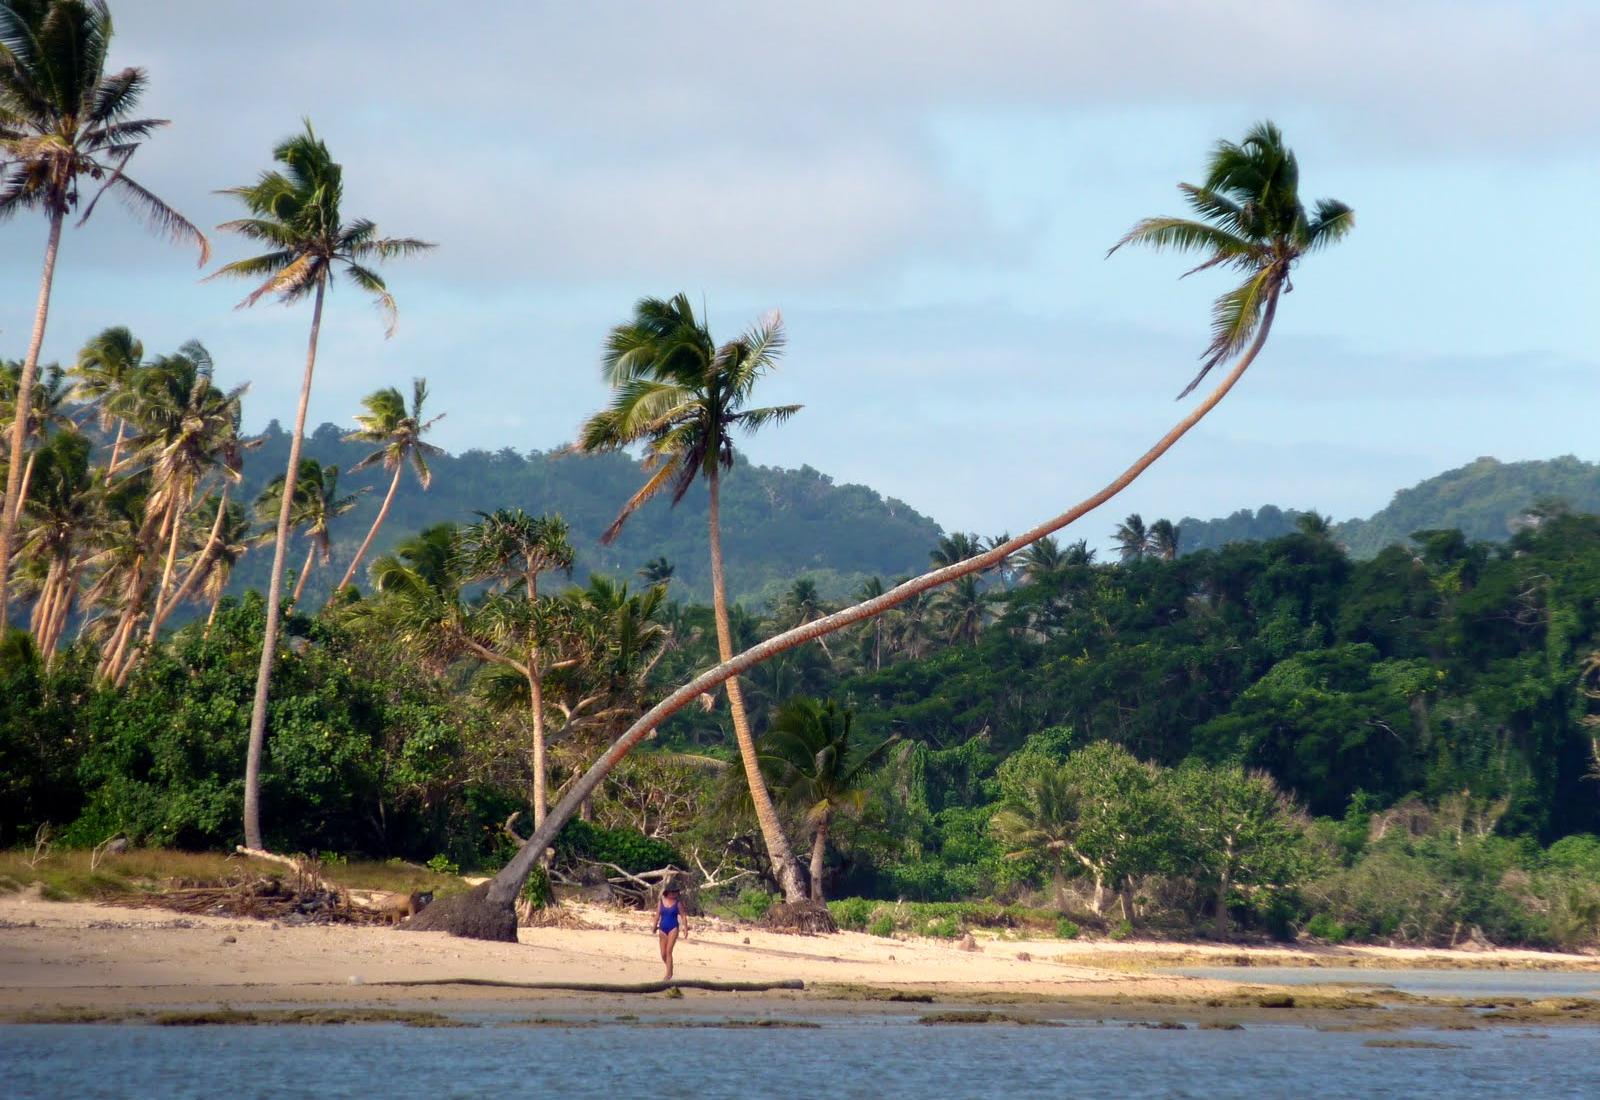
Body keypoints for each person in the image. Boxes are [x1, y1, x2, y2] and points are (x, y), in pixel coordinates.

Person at [653, 884, 687, 980]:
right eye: (672, 892)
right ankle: (670, 968)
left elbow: (683, 916)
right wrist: (654, 926)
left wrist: (685, 929)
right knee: (663, 953)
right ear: (667, 892)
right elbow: (657, 915)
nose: (674, 894)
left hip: (673, 928)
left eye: (676, 892)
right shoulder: (661, 902)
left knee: (668, 951)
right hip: (662, 928)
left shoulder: (678, 903)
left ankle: (668, 975)